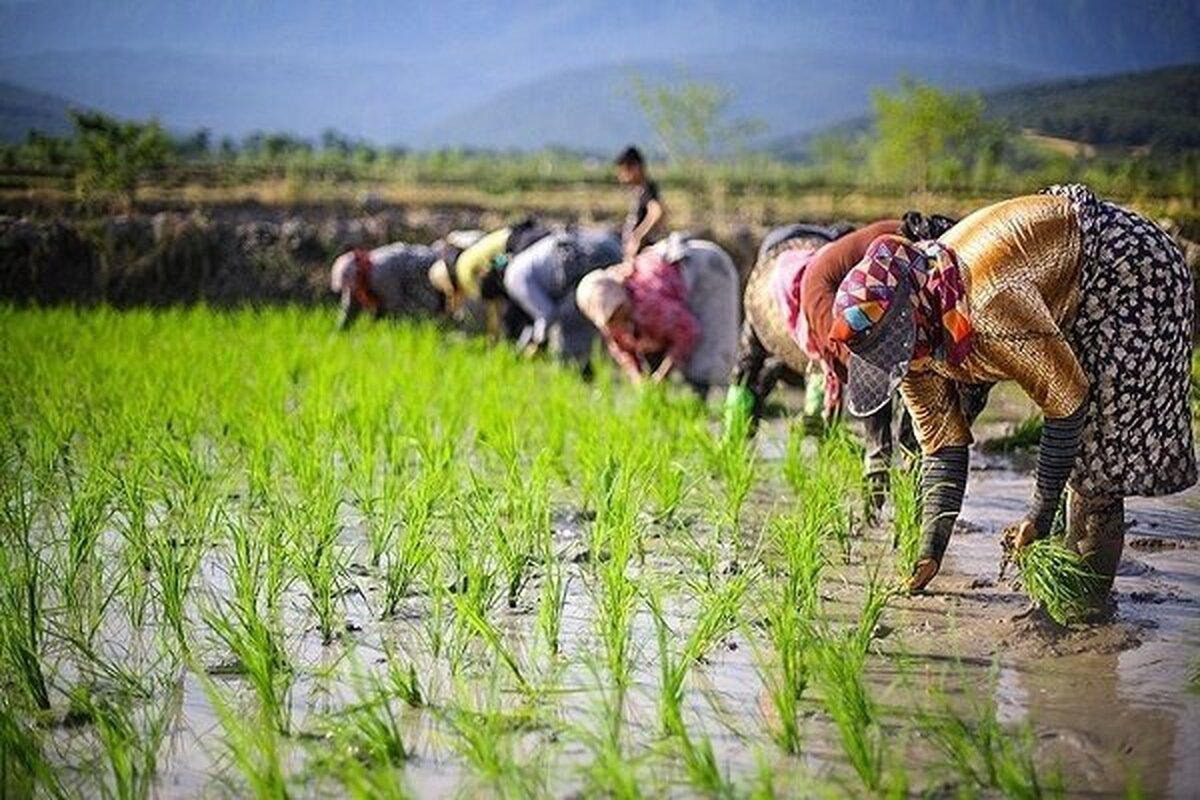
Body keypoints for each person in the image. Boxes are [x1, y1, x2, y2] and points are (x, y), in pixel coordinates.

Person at [830, 185, 1196, 609]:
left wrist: (1036, 516)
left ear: (914, 318)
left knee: (1097, 460)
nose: (904, 362)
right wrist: (930, 553)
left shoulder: (989, 307)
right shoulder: (916, 340)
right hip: (1055, 287)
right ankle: (1065, 570)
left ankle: (1086, 606)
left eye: (900, 350)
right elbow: (942, 449)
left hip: (1128, 270)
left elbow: (1067, 402)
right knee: (1074, 458)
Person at [729, 214, 964, 502]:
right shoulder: (888, 255)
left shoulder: (933, 259)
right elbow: (870, 360)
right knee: (866, 363)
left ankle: (905, 458)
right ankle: (876, 458)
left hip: (858, 283)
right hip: (823, 286)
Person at [576, 238, 740, 398]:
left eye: (617, 309)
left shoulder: (647, 303)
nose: (616, 318)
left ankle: (707, 401)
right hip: (676, 273)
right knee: (657, 349)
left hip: (706, 268)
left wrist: (661, 376)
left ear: (622, 296)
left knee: (707, 358)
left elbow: (688, 332)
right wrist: (639, 380)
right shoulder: (611, 325)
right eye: (610, 318)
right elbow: (624, 352)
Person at [502, 227, 622, 368]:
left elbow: (547, 314)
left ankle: (580, 379)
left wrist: (537, 343)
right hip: (608, 247)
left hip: (582, 264)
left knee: (568, 330)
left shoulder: (513, 278)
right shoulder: (526, 260)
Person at [429, 219, 551, 338]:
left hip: (521, 249)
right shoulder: (465, 259)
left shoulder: (465, 277)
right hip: (528, 236)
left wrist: (493, 338)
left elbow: (493, 306)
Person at [330, 240, 445, 330]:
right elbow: (349, 309)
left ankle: (443, 325)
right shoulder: (357, 281)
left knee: (425, 308)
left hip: (422, 267)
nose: (349, 290)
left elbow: (394, 305)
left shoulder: (378, 274)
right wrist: (340, 332)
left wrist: (374, 326)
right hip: (408, 270)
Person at [615, 145, 667, 260]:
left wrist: (637, 236)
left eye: (623, 171)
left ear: (635, 168)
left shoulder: (647, 189)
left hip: (644, 253)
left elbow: (657, 211)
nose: (620, 176)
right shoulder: (639, 190)